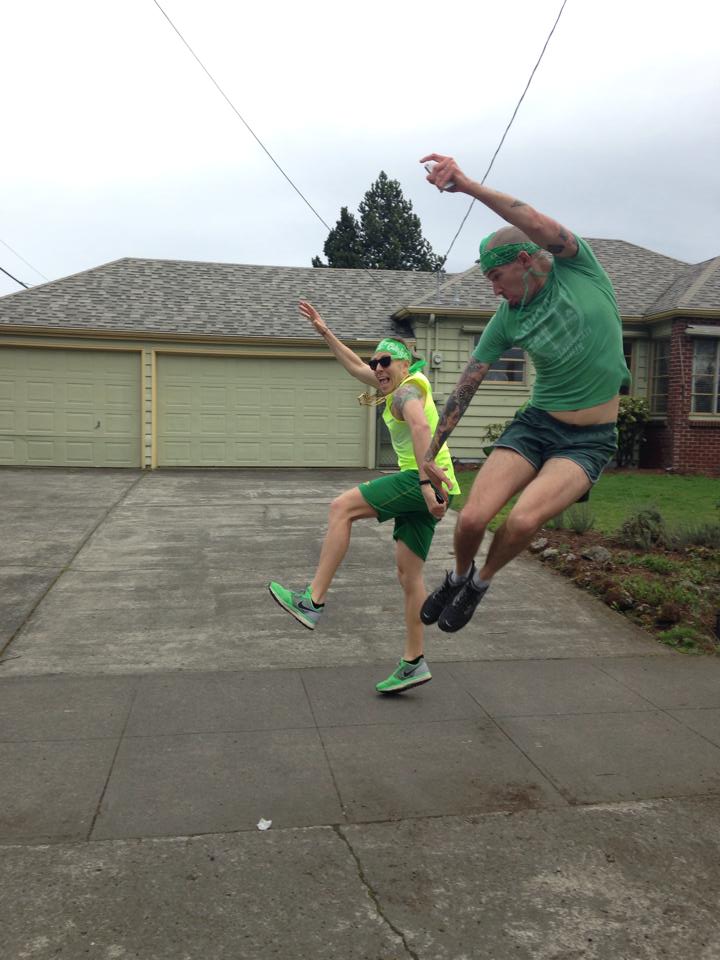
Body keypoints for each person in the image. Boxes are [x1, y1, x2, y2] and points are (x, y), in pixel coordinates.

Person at [417, 153, 631, 633]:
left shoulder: (579, 269)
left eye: (495, 278)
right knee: (471, 519)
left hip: (589, 441)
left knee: (520, 522)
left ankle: (479, 585)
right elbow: (466, 386)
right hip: (535, 426)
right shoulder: (507, 320)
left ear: (522, 261)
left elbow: (531, 220)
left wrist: (467, 185)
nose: (493, 291)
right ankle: (458, 577)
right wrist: (431, 453)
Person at [268, 300, 460, 693]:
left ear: (405, 364)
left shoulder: (407, 392)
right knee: (409, 576)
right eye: (376, 363)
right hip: (440, 486)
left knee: (341, 508)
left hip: (421, 481)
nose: (377, 368)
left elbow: (421, 429)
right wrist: (325, 332)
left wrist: (425, 486)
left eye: (385, 362)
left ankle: (312, 601)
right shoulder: (397, 384)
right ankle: (413, 662)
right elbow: (355, 367)